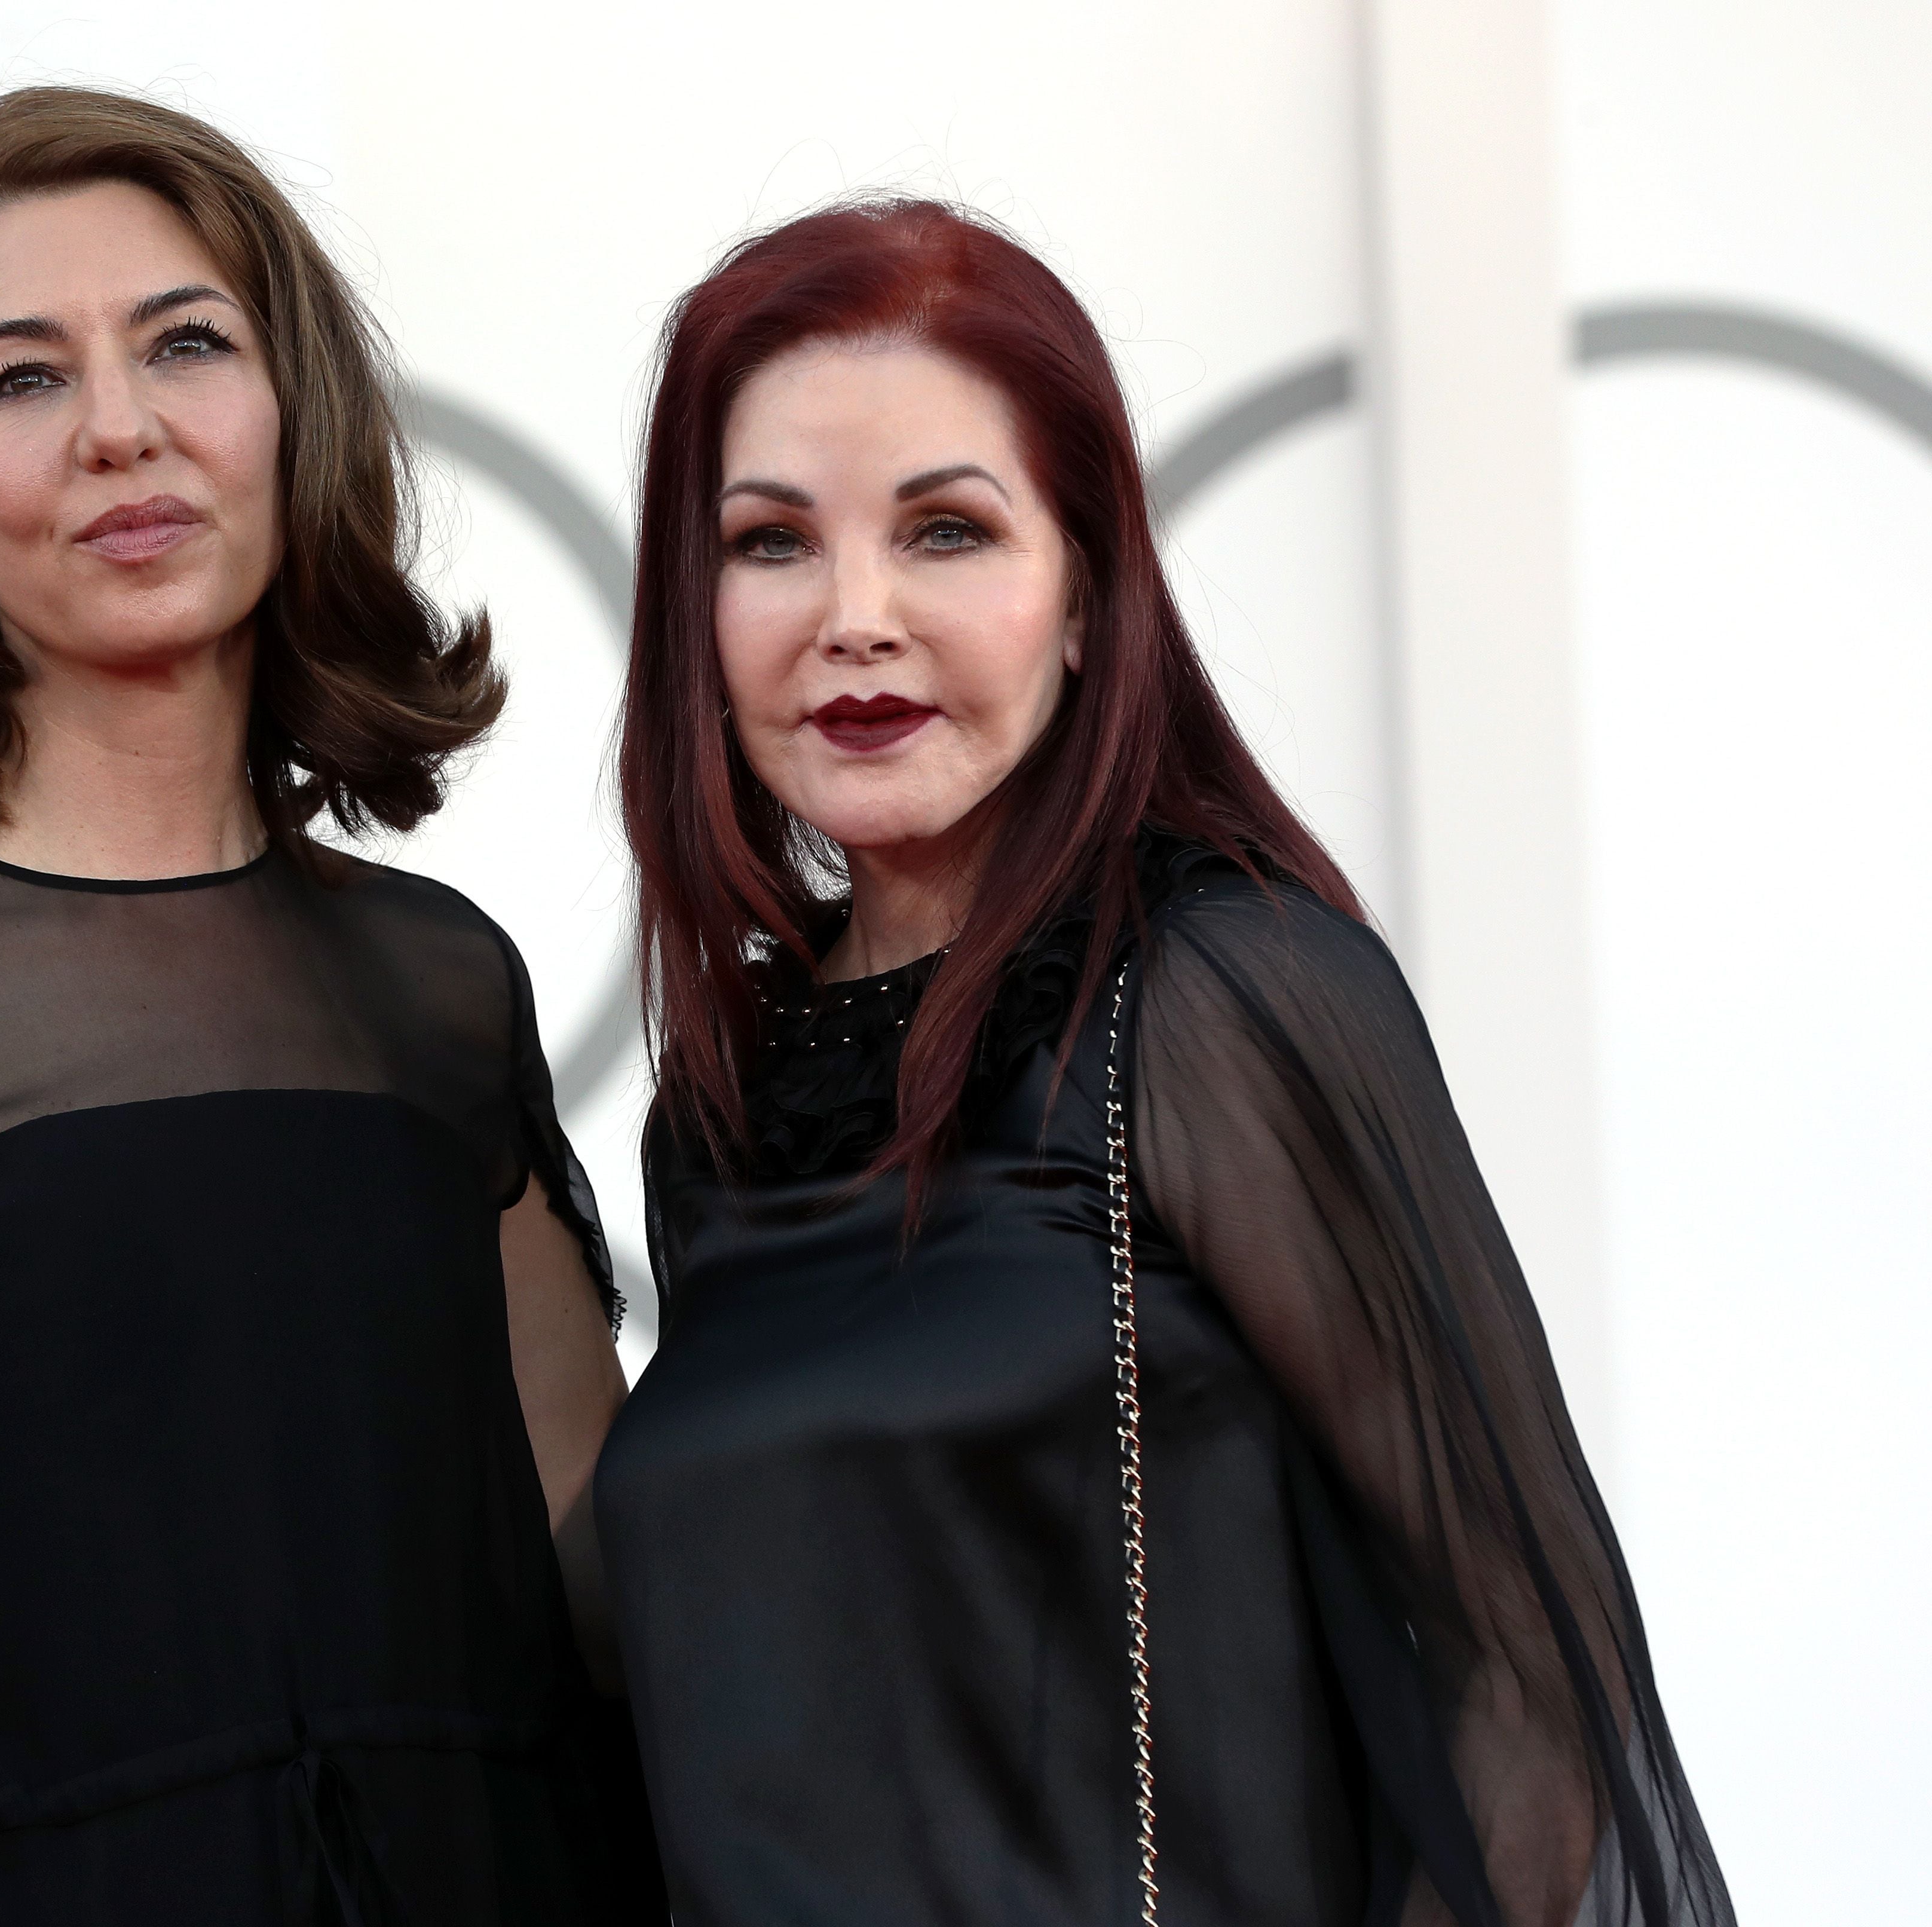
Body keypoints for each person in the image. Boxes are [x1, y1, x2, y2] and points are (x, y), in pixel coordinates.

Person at [0, 87, 658, 1927]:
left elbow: (620, 1604)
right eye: (20, 379)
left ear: (288, 413)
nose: (122, 430)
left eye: (187, 345)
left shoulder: (439, 986)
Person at [593, 197, 1731, 1927]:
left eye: (948, 532)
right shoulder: (728, 1107)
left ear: (1084, 599)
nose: (855, 616)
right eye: (772, 543)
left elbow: (1530, 1675)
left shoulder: (1218, 994)